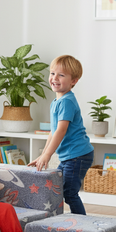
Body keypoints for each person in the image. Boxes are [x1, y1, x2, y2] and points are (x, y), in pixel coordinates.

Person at [28, 55, 94, 215]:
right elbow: (53, 130)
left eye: (61, 75)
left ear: (74, 81)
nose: (54, 78)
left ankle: (82, 226)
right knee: (59, 189)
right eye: (52, 73)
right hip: (70, 156)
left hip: (78, 155)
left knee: (70, 193)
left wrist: (48, 155)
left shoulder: (66, 102)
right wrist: (43, 154)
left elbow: (61, 130)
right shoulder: (56, 102)